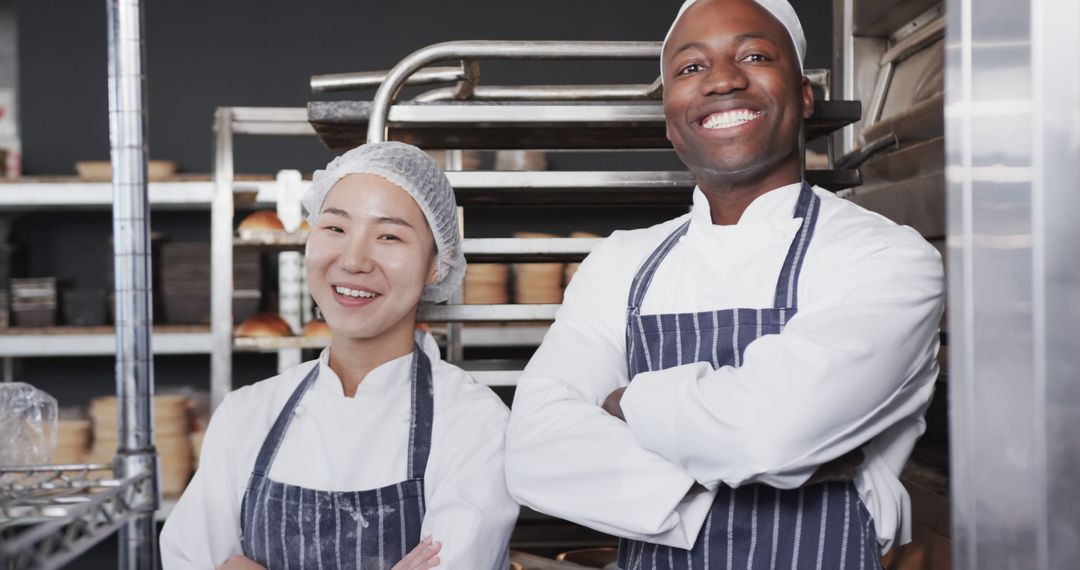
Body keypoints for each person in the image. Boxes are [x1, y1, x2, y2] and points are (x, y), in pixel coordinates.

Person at [505, 0, 944, 567]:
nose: (723, 80)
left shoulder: (885, 256)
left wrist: (626, 402)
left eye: (755, 55)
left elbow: (771, 430)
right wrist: (735, 474)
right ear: (669, 114)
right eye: (690, 68)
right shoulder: (620, 263)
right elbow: (535, 452)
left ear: (805, 93)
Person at [161, 142, 518, 569]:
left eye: (389, 235)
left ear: (436, 266)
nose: (353, 260)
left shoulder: (473, 424)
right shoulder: (246, 416)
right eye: (335, 228)